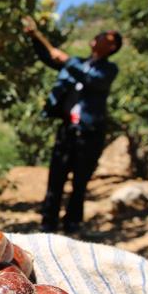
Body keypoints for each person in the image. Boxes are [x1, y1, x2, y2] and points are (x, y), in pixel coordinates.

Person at [22, 17, 122, 234]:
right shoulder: (78, 63)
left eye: (106, 36)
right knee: (55, 178)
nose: (99, 36)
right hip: (67, 131)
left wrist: (67, 60)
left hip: (89, 134)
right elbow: (50, 59)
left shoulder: (107, 70)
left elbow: (93, 81)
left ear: (112, 47)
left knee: (80, 182)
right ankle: (48, 224)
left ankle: (73, 224)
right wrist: (35, 39)